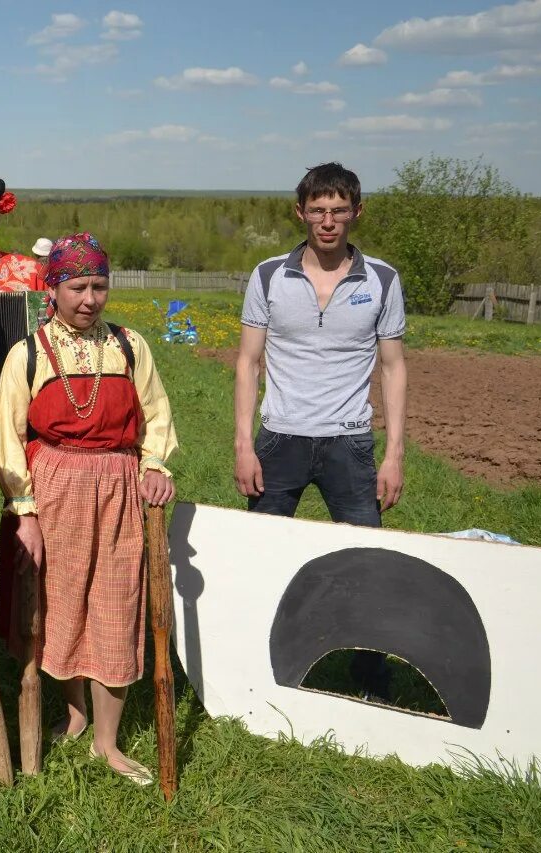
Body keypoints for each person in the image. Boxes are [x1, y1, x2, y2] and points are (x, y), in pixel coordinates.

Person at [0, 233, 178, 786]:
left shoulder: (130, 346)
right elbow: (7, 433)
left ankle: (108, 741)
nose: (90, 299)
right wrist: (23, 508)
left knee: (116, 606)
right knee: (62, 604)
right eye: (77, 287)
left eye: (99, 286)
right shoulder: (27, 354)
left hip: (119, 485)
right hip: (53, 489)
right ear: (53, 289)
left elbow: (157, 412)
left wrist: (154, 464)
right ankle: (74, 714)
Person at [234, 162, 407, 702]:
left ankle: (370, 682)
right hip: (280, 439)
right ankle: (249, 667)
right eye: (317, 210)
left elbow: (394, 368)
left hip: (350, 443)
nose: (328, 221)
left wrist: (394, 453)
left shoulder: (381, 279)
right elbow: (247, 363)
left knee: (365, 565)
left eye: (338, 210)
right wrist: (243, 444)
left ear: (357, 212)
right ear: (300, 212)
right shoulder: (268, 276)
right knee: (261, 559)